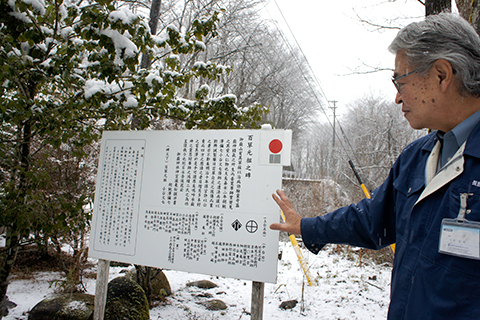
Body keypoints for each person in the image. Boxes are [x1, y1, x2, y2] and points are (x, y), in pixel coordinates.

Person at [270, 12, 480, 320]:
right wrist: (306, 226)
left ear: (441, 75)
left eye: (401, 81)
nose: (397, 97)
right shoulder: (415, 158)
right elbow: (372, 221)